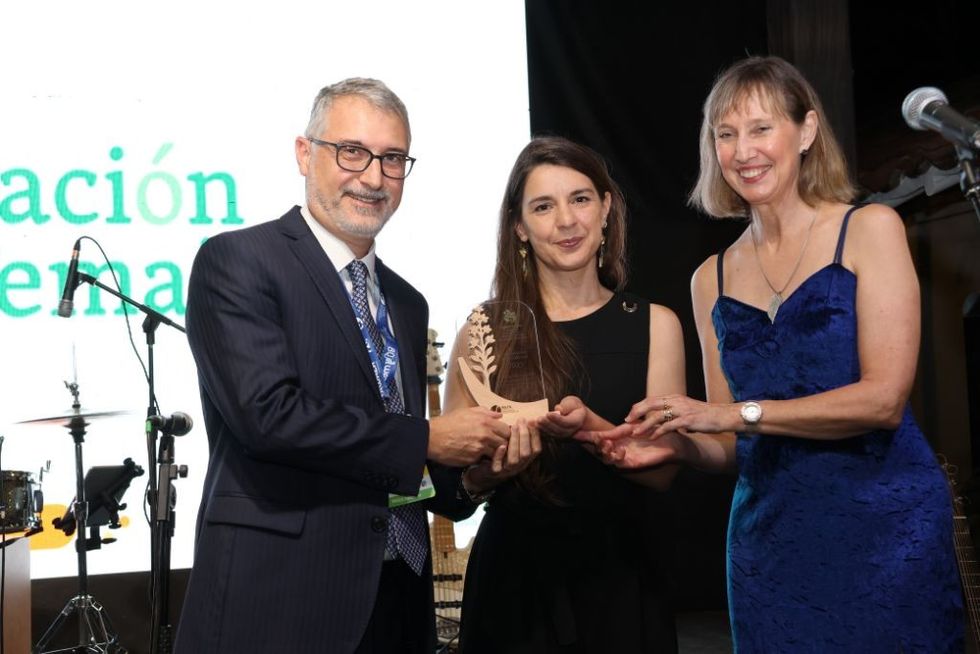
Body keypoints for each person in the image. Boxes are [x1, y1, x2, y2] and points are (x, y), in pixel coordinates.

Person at [586, 56, 964, 651]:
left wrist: (734, 414)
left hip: (888, 533)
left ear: (806, 131)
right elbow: (728, 445)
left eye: (761, 128)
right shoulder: (709, 278)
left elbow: (884, 401)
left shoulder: (869, 229)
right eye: (726, 134)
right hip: (771, 545)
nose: (743, 151)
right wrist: (675, 445)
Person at [174, 78, 512, 654]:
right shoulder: (239, 261)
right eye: (352, 151)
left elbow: (390, 459)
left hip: (398, 599)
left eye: (393, 159)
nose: (374, 177)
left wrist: (475, 478)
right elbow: (267, 417)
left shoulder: (406, 302)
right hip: (282, 598)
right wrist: (430, 437)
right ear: (305, 154)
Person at [445, 136, 686, 653]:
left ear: (606, 208)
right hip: (513, 590)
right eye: (543, 206)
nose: (566, 220)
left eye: (580, 199)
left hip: (621, 584)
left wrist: (594, 431)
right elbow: (451, 491)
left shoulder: (656, 325)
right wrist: (492, 473)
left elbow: (665, 472)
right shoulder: (484, 332)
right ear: (519, 227)